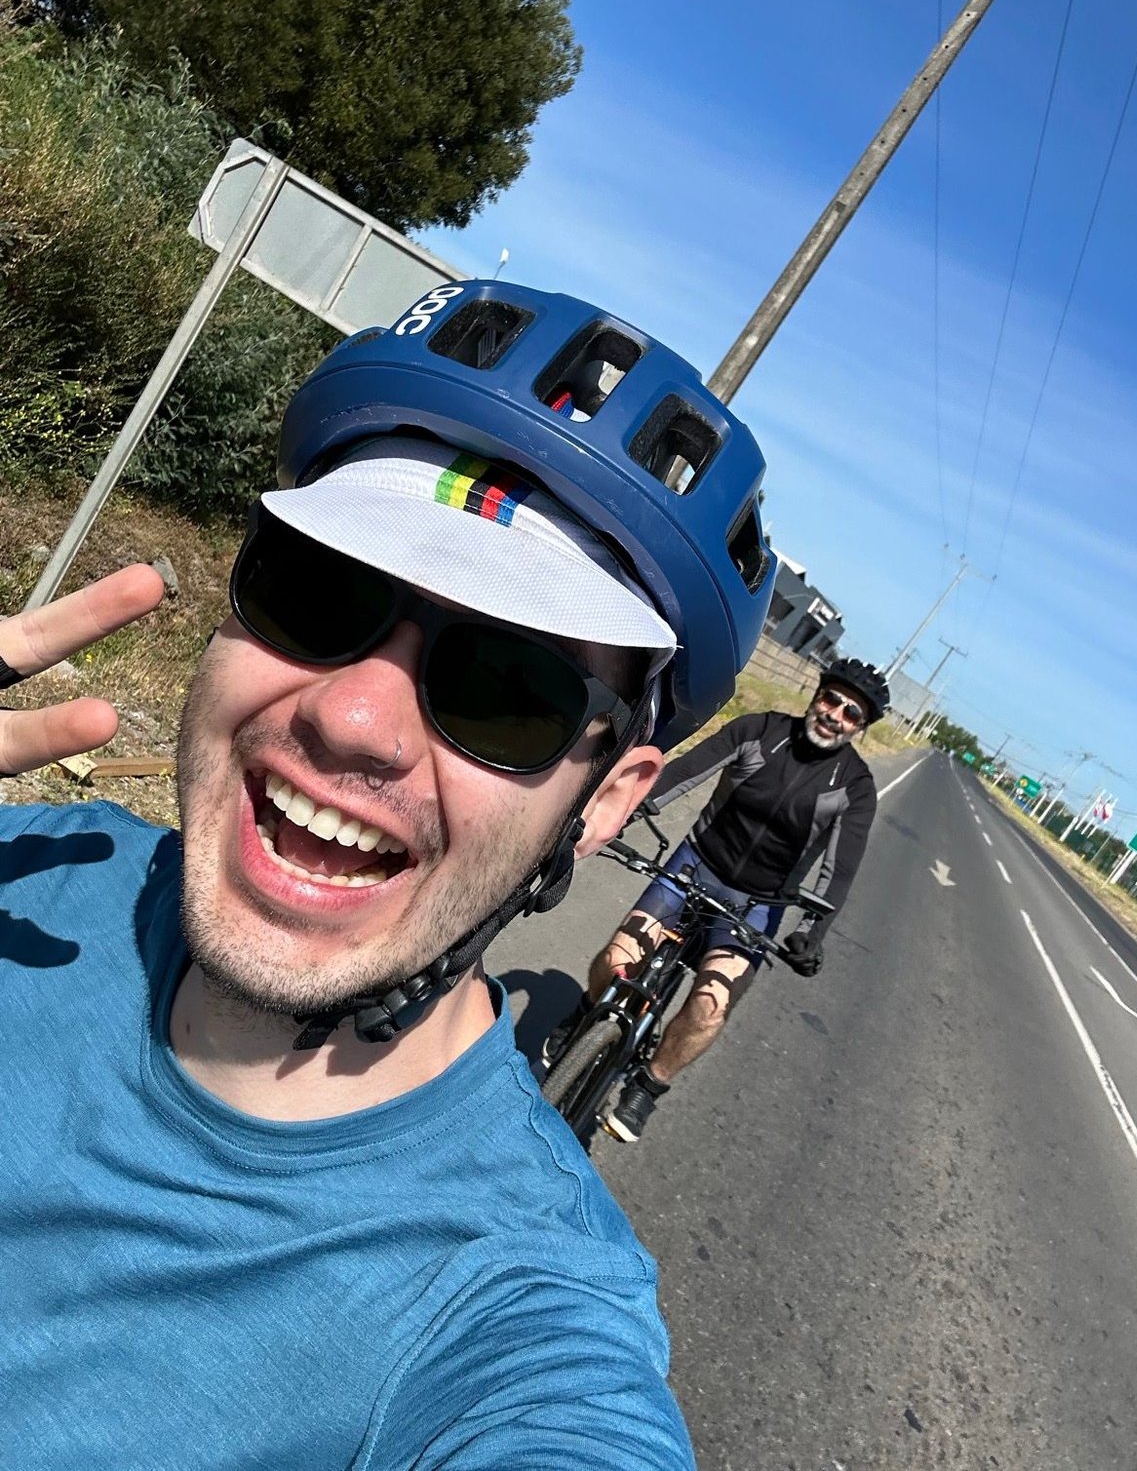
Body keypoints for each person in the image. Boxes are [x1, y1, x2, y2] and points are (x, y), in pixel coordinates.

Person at [0, 281, 777, 1469]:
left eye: (508, 688)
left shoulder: (511, 1314)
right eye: (318, 591)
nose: (357, 717)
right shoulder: (43, 866)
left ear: (608, 798)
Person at [560, 658, 888, 1144]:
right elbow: (685, 774)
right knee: (617, 959)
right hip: (696, 866)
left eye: (851, 714)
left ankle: (650, 1084)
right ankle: (585, 1013)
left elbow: (837, 871)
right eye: (831, 700)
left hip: (755, 905)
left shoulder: (854, 787)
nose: (835, 715)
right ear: (817, 696)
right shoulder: (761, 730)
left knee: (710, 1006)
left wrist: (810, 934)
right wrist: (622, 814)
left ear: (859, 728)